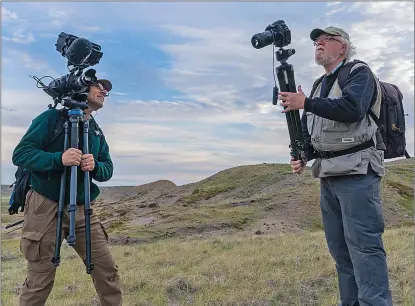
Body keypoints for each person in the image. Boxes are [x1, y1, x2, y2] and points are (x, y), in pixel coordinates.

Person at [278, 26, 393, 306]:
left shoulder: (359, 73)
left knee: (364, 249)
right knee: (340, 251)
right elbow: (313, 131)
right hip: (328, 176)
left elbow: (353, 108)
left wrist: (306, 102)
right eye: (316, 41)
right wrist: (302, 155)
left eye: (325, 40)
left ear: (342, 47)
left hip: (356, 174)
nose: (318, 43)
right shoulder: (319, 85)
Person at [12, 78, 122, 306]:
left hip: (84, 209)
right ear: (83, 89)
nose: (104, 91)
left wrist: (96, 166)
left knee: (106, 271)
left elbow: (107, 168)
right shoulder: (51, 119)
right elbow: (21, 154)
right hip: (45, 205)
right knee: (40, 277)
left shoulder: (96, 131)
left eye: (106, 90)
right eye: (98, 86)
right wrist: (58, 159)